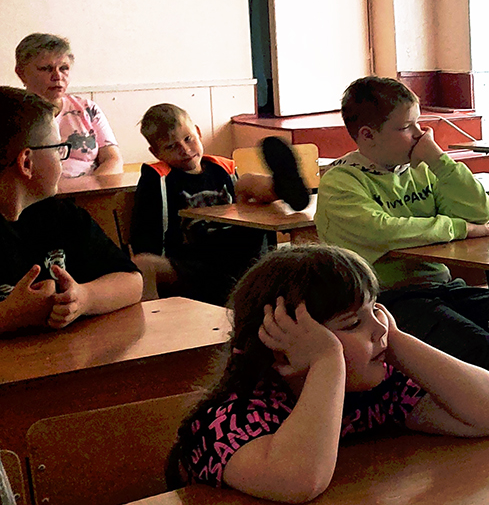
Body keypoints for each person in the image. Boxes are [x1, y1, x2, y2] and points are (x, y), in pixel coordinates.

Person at [167, 245, 489, 503]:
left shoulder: (373, 393)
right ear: (281, 346)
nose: (379, 328)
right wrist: (327, 360)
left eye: (375, 309)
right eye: (352, 324)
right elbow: (300, 481)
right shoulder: (233, 416)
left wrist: (396, 341)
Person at [314, 77, 489, 425]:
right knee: (484, 351)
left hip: (443, 288)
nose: (420, 135)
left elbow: (479, 212)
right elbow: (384, 230)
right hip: (387, 300)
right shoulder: (341, 182)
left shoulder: (422, 169)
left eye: (418, 123)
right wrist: (459, 228)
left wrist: (439, 160)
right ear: (368, 135)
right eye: (406, 127)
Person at [130, 103, 308, 304]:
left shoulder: (221, 168)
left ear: (198, 132)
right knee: (143, 263)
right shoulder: (158, 179)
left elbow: (246, 209)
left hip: (238, 251)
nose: (185, 150)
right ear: (156, 153)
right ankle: (154, 319)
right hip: (194, 265)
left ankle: (281, 187)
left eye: (188, 139)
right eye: (171, 146)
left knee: (246, 183)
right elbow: (144, 238)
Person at [0, 87, 141, 335]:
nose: (62, 158)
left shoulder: (63, 216)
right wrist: (7, 316)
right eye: (58, 149)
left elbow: (132, 282)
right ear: (27, 163)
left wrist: (84, 297)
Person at [12, 33, 123, 177]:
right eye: (46, 68)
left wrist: (88, 187)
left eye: (64, 68)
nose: (57, 76)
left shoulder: (88, 109)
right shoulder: (10, 113)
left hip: (91, 188)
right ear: (21, 73)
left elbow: (113, 160)